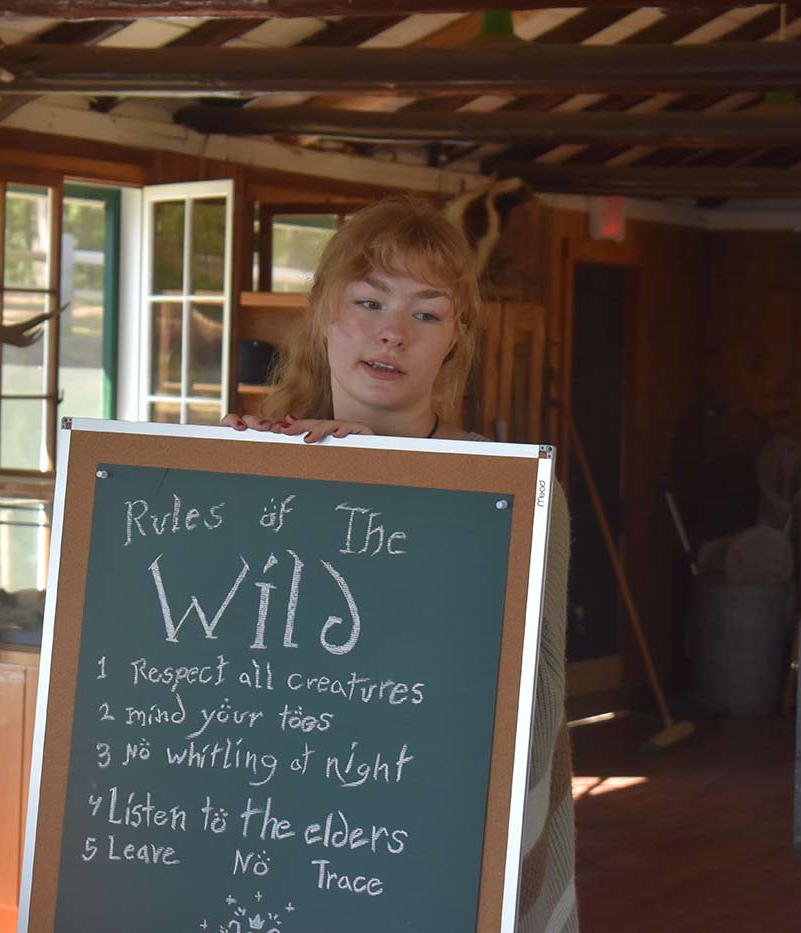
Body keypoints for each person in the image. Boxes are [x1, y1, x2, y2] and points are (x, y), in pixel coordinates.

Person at [222, 195, 580, 932]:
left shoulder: (511, 491)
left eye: (426, 312)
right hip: (261, 845)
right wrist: (236, 473)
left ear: (456, 338)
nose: (392, 331)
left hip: (438, 860)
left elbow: (536, 704)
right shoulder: (242, 467)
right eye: (369, 300)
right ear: (323, 311)